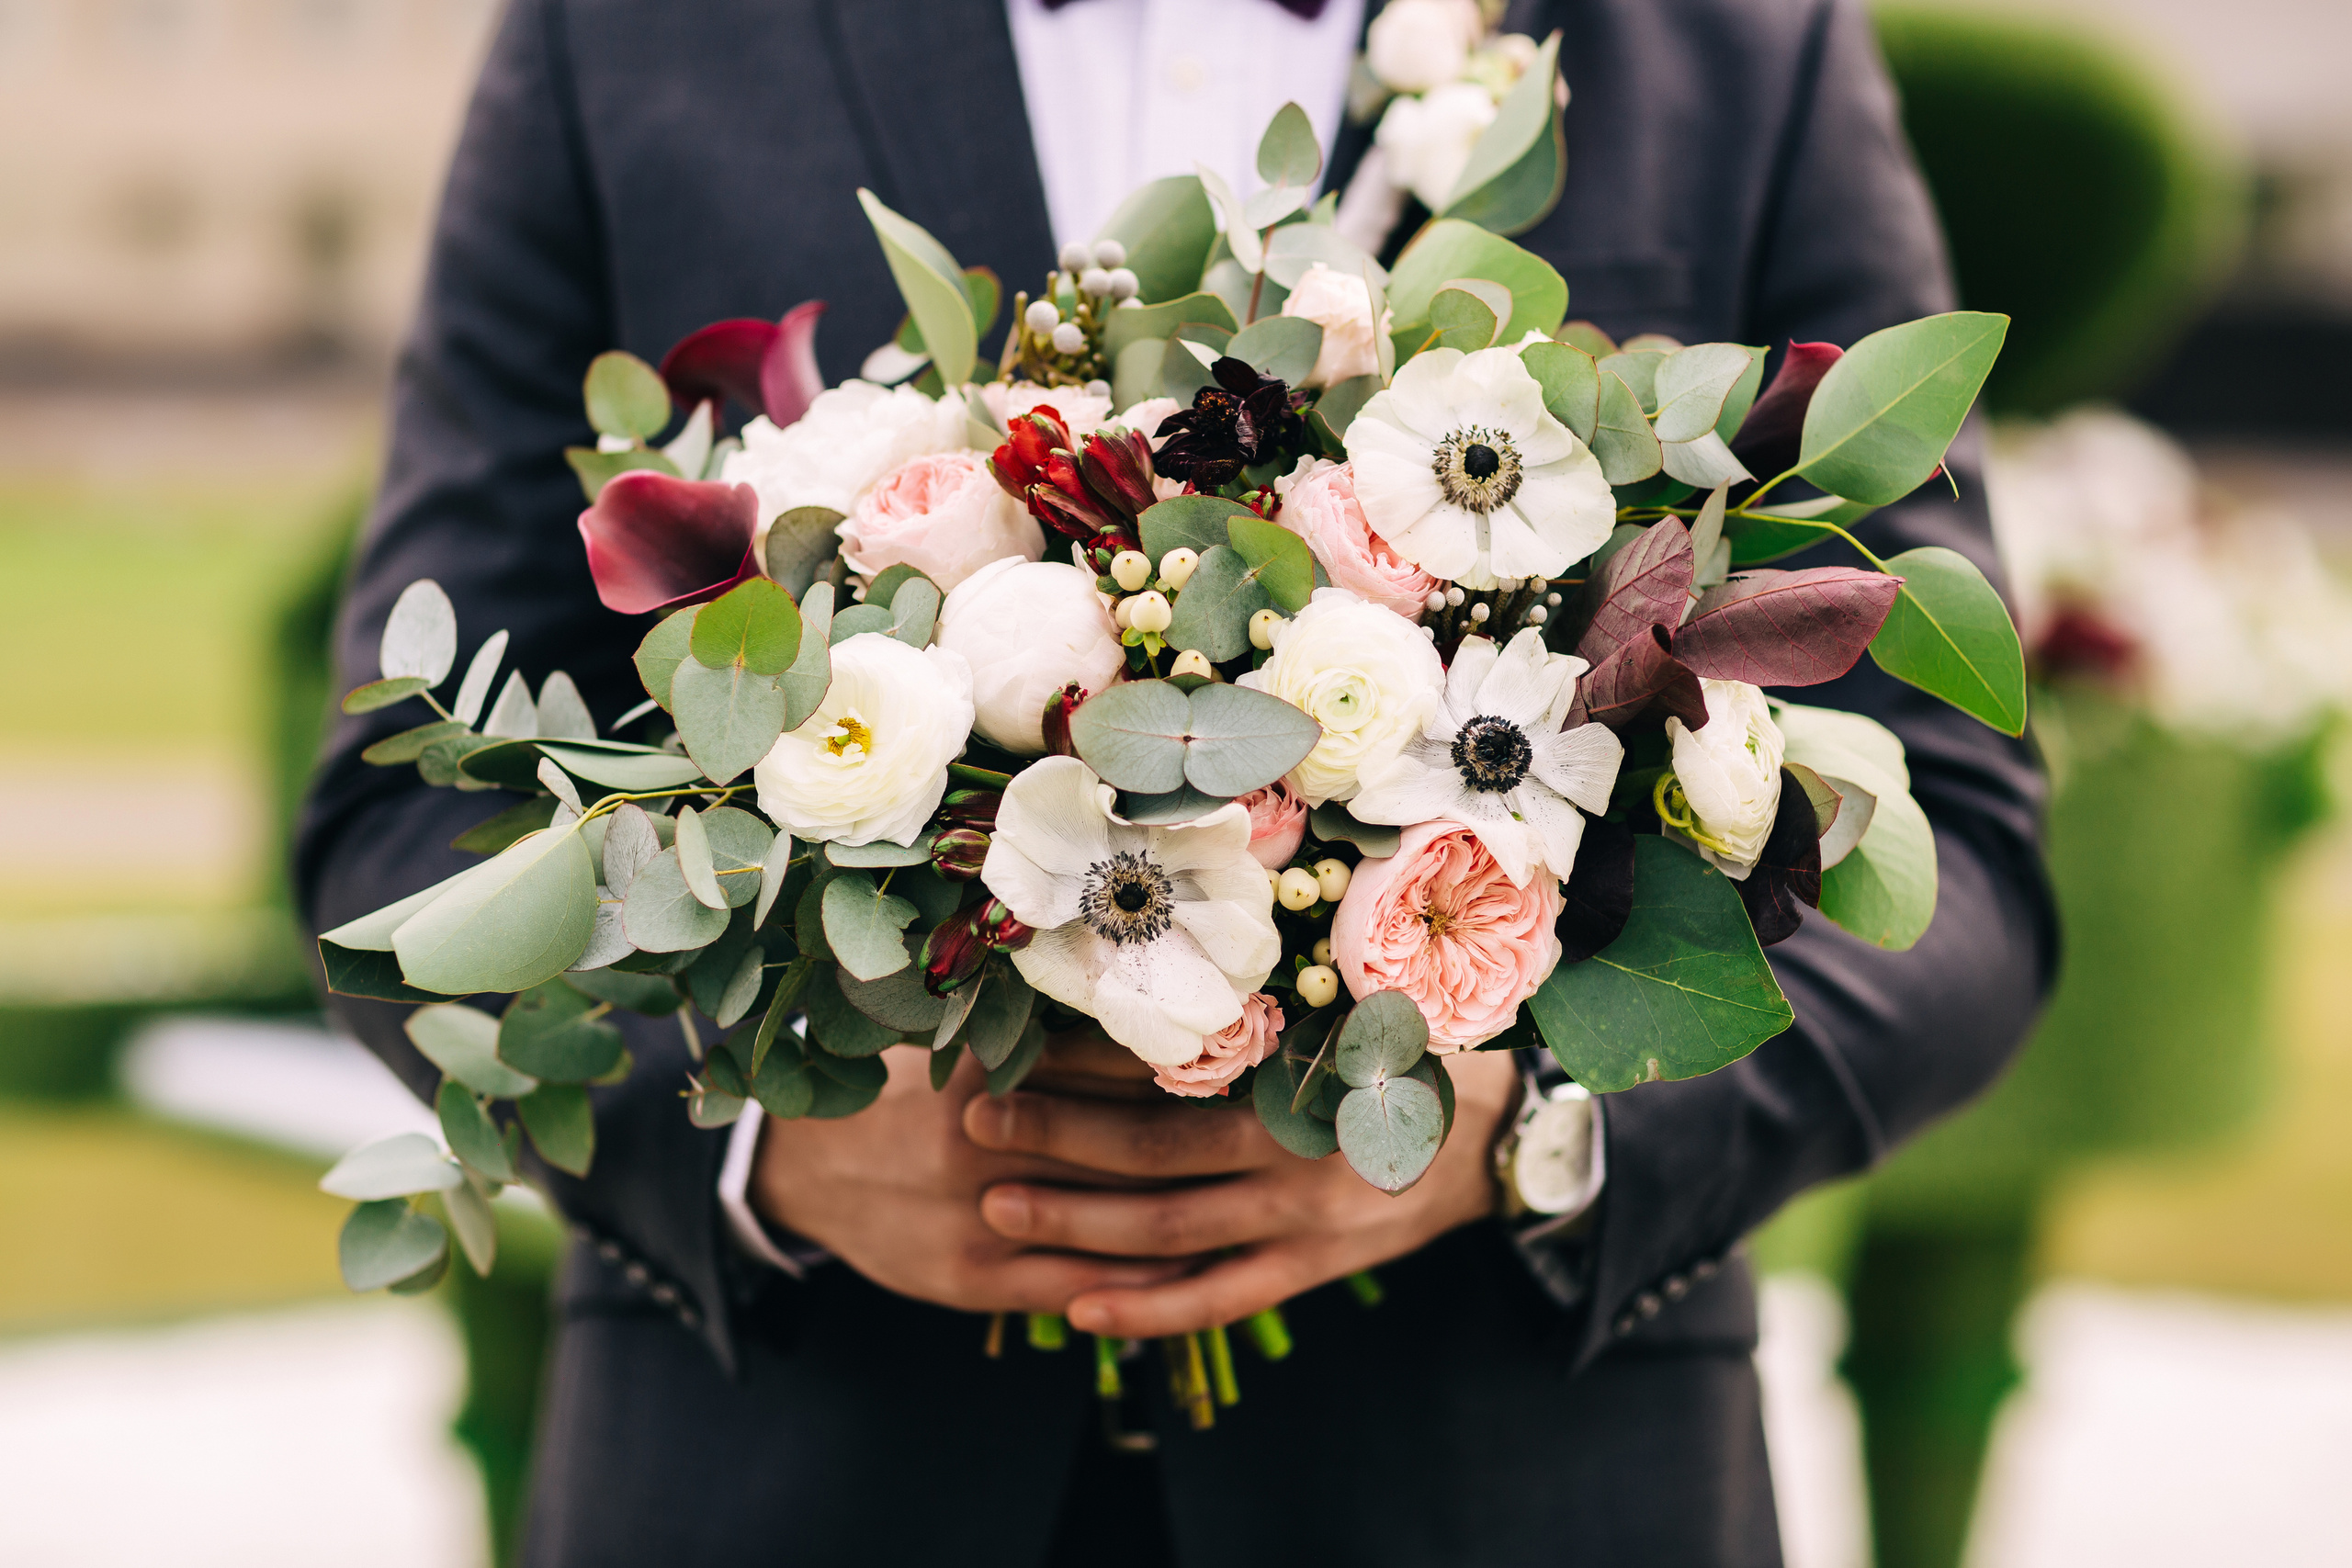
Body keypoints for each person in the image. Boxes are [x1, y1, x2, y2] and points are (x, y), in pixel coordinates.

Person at [296, 1, 2056, 1562]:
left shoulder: (1743, 41)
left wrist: (1539, 1141)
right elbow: (397, 817)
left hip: (1504, 1471)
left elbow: (1957, 844)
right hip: (795, 1464)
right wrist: (761, 1140)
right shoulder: (619, 36)